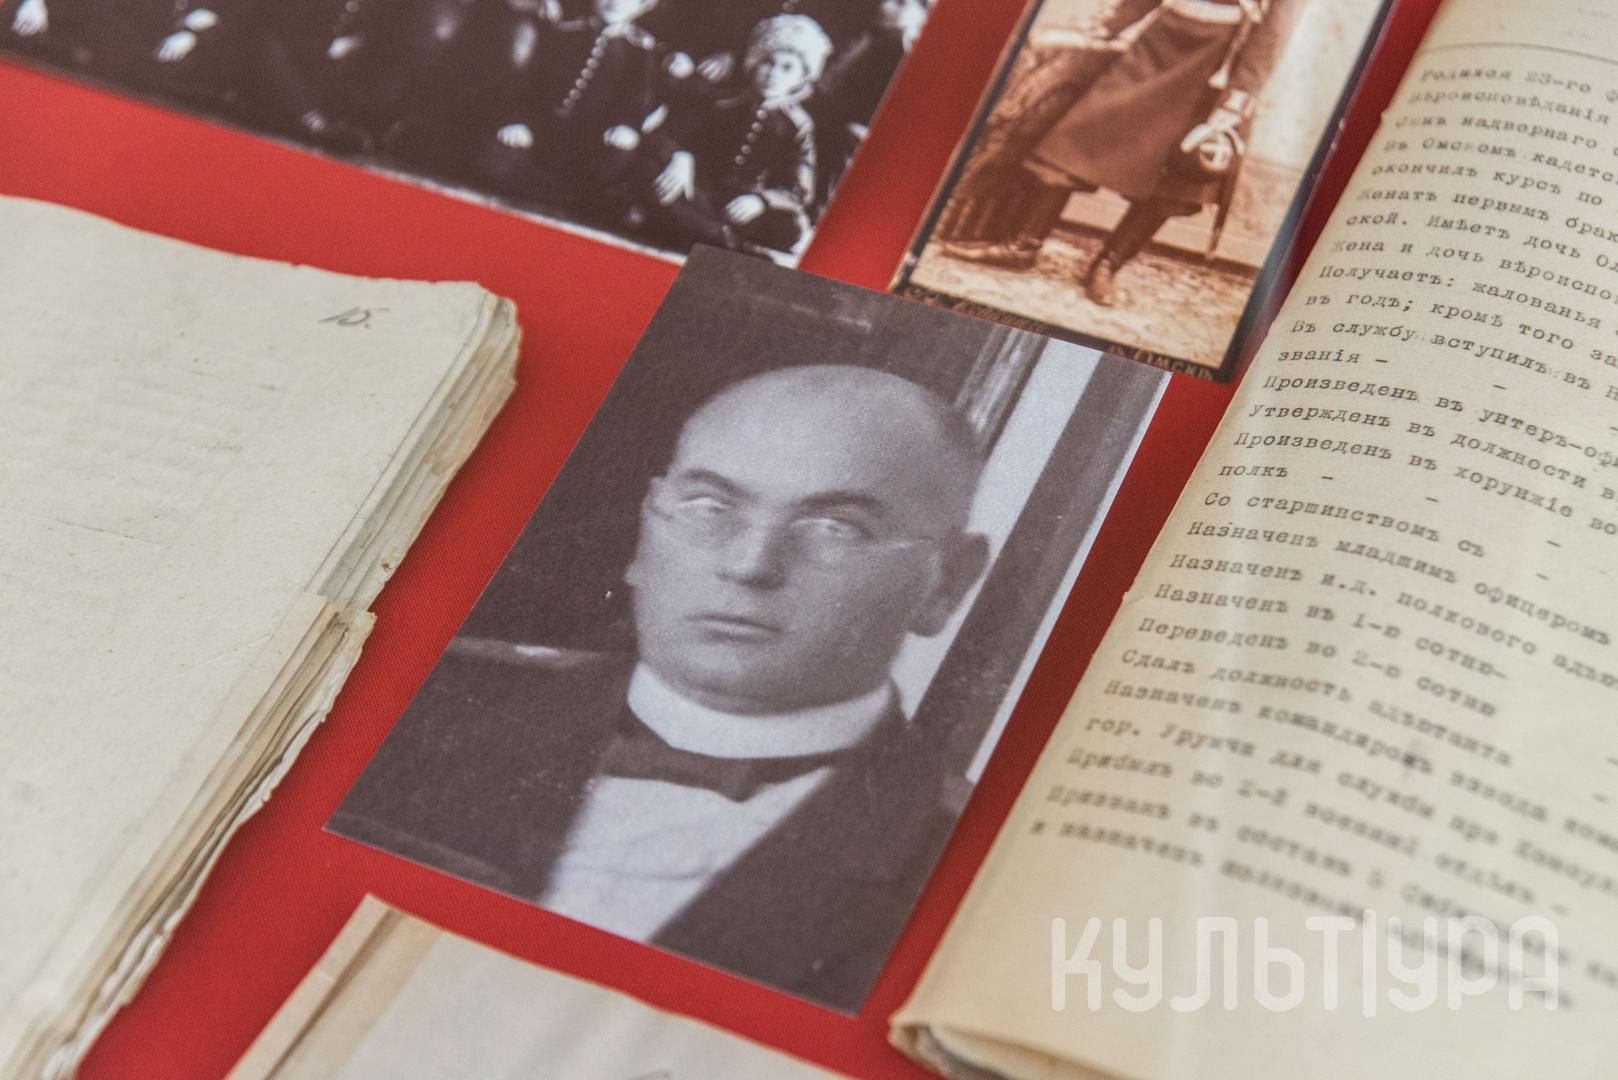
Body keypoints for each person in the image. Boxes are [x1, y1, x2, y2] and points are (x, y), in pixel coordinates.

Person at [330, 363, 992, 1010]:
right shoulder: (415, 700)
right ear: (646, 530)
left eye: (836, 528)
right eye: (710, 507)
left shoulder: (968, 875)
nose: (750, 564)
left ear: (947, 584)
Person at [941, 0, 1295, 307]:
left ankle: (1108, 265)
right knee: (1075, 136)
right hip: (1161, 41)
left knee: (1178, 179)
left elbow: (1275, 28)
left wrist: (1237, 98)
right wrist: (1108, 26)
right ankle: (1023, 246)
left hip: (1222, 62)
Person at [636, 13, 832, 257]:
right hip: (699, 191)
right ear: (754, 64)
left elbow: (799, 189)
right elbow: (666, 133)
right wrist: (679, 157)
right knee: (658, 180)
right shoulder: (724, 102)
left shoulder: (797, 125)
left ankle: (701, 233)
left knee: (790, 226)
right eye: (768, 62)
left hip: (742, 204)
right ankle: (725, 241)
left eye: (787, 68)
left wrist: (761, 201)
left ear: (801, 78)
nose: (774, 73)